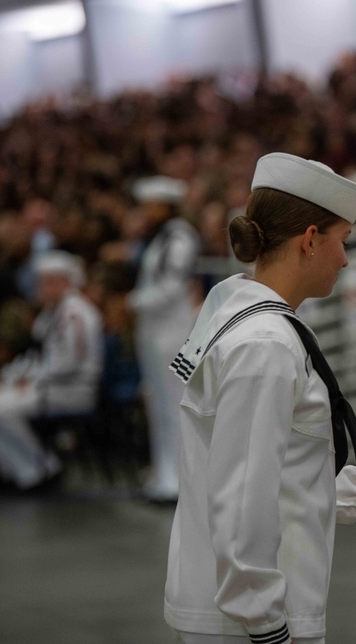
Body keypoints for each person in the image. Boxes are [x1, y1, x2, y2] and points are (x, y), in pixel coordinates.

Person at [164, 153, 356, 644]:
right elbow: (242, 501)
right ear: (311, 240)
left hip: (243, 615)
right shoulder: (266, 345)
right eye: (342, 241)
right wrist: (267, 625)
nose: (345, 259)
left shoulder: (241, 311)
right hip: (252, 625)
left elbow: (283, 474)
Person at [0, 250, 103, 490]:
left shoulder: (76, 313)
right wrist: (12, 378)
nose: (41, 288)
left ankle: (39, 469)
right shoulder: (51, 312)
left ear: (65, 282)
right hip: (46, 383)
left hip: (71, 388)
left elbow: (69, 364)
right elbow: (38, 357)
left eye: (48, 282)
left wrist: (31, 380)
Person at [127, 176, 200, 503]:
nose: (145, 212)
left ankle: (181, 481)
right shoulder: (161, 238)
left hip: (174, 335)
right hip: (154, 333)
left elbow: (172, 286)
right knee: (158, 407)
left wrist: (131, 302)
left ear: (164, 206)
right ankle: (164, 476)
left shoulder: (180, 237)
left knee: (175, 406)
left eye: (150, 206)